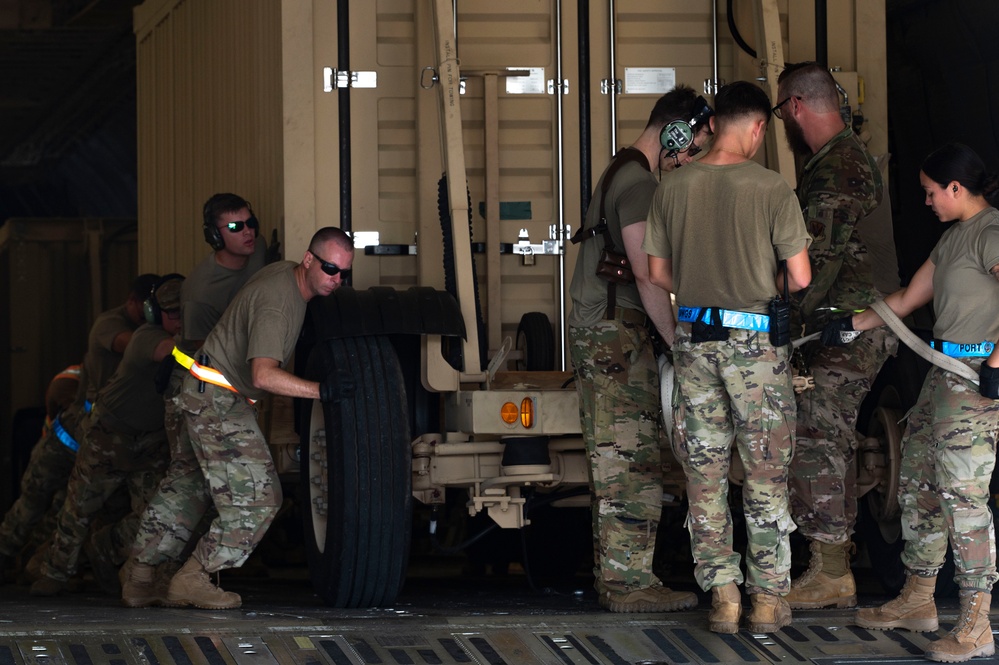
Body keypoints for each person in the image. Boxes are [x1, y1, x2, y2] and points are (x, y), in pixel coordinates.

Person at [643, 80, 812, 633]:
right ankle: (766, 601)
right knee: (764, 474)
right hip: (756, 348)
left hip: (695, 343)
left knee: (705, 475)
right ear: (759, 127)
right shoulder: (772, 189)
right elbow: (802, 276)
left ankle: (724, 598)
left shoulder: (673, 187)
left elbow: (658, 274)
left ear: (712, 123)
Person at [122, 227, 353, 610]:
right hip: (217, 399)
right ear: (309, 260)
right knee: (259, 501)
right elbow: (263, 375)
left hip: (199, 389)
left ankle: (140, 578)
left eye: (344, 272)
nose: (337, 279)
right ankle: (193, 577)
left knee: (187, 490)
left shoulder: (284, 273)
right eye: (330, 268)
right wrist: (322, 391)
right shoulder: (279, 305)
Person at [836, 143, 999, 663]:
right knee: (919, 485)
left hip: (973, 382)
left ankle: (976, 624)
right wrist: (850, 324)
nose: (926, 201)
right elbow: (907, 300)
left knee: (964, 500)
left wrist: (998, 363)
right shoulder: (954, 240)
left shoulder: (992, 233)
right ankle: (918, 599)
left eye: (931, 192)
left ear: (955, 187)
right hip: (942, 381)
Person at [567, 84, 712, 613]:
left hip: (607, 330)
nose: (691, 154)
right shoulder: (638, 185)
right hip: (614, 335)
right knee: (629, 458)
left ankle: (622, 578)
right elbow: (650, 278)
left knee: (617, 455)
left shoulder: (621, 170)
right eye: (693, 142)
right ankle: (630, 585)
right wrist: (677, 341)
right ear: (675, 131)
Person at [771, 62, 898, 609]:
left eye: (781, 111)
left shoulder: (836, 168)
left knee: (816, 432)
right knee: (830, 435)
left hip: (848, 326)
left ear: (796, 106)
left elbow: (815, 264)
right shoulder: (840, 159)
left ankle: (828, 570)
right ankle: (832, 566)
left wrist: (783, 328)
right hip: (844, 323)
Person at [119, 193, 269, 605]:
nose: (248, 232)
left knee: (187, 481)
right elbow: (206, 353)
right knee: (195, 480)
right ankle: (166, 575)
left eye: (250, 221)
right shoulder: (202, 292)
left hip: (220, 392)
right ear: (214, 236)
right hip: (203, 391)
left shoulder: (258, 258)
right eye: (235, 227)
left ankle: (140, 573)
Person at [30, 275, 185, 596]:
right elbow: (174, 354)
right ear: (154, 314)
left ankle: (108, 548)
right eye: (171, 314)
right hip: (110, 434)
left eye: (184, 312)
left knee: (156, 512)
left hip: (151, 441)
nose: (178, 320)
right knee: (80, 506)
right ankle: (54, 572)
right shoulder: (147, 336)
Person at [0, 274, 158, 582]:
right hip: (70, 437)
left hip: (103, 440)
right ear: (133, 303)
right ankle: (6, 556)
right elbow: (129, 345)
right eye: (147, 309)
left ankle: (35, 565)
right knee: (33, 502)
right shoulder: (112, 325)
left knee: (69, 510)